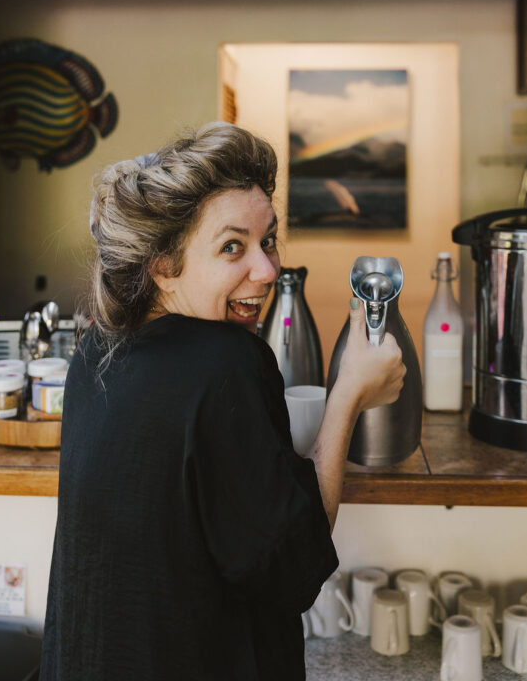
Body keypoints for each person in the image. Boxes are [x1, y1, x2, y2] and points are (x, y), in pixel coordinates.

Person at [39, 122, 405, 681]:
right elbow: (291, 568)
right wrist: (349, 394)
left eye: (268, 240)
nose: (267, 269)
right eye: (232, 247)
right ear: (162, 266)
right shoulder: (226, 363)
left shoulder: (97, 348)